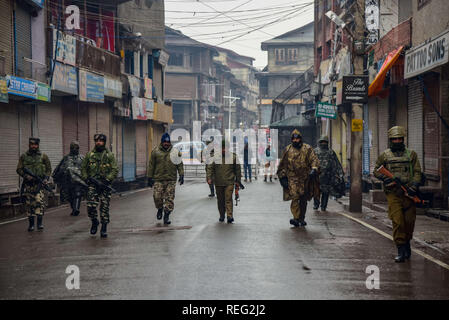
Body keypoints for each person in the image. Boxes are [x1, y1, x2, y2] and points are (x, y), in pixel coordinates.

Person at [373, 126, 422, 263]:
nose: (397, 141)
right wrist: (385, 178)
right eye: (394, 139)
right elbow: (376, 170)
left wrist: (414, 186)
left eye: (400, 139)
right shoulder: (385, 155)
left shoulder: (411, 154)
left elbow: (417, 172)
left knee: (409, 222)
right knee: (398, 221)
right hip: (393, 194)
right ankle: (400, 249)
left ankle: (407, 244)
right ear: (390, 140)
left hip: (409, 193)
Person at [277, 129, 320, 227]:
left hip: (305, 178)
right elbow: (283, 164)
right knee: (295, 197)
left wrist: (314, 169)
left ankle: (301, 218)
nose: (295, 141)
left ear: (300, 139)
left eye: (297, 139)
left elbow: (314, 159)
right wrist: (282, 177)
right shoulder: (287, 150)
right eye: (294, 139)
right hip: (292, 178)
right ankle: (296, 217)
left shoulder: (307, 148)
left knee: (303, 199)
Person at [81, 134, 118, 238]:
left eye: (100, 141)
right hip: (93, 184)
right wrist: (86, 178)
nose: (98, 142)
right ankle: (94, 222)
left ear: (104, 142)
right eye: (96, 141)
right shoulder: (89, 155)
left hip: (105, 185)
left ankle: (104, 228)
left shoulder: (109, 155)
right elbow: (83, 168)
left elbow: (115, 169)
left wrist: (107, 179)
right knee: (90, 206)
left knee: (104, 207)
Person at [147, 133, 184, 225]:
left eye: (168, 142)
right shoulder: (155, 152)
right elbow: (151, 165)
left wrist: (181, 175)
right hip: (158, 179)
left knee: (169, 198)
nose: (166, 144)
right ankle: (160, 208)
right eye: (165, 142)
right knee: (157, 197)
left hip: (171, 179)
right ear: (162, 142)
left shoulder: (175, 152)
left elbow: (179, 164)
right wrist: (149, 177)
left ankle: (166, 215)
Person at [16, 137, 52, 232]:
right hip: (28, 185)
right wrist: (26, 176)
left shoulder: (43, 156)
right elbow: (19, 169)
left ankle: (39, 223)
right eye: (32, 144)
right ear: (29, 145)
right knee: (29, 204)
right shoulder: (24, 156)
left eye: (35, 144)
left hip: (39, 184)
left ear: (38, 145)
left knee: (39, 202)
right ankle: (31, 225)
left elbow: (49, 169)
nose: (33, 146)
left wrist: (46, 179)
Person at [206, 139, 242, 223]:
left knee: (228, 199)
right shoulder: (215, 157)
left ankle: (229, 216)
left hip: (229, 182)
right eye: (222, 148)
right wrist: (209, 178)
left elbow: (238, 169)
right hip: (218, 182)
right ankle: (222, 215)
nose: (224, 150)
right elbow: (210, 168)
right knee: (220, 200)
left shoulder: (233, 157)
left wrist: (238, 181)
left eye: (225, 148)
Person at [53, 141, 86, 216]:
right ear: (70, 148)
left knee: (78, 194)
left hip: (79, 182)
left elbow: (87, 168)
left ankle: (76, 209)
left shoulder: (82, 158)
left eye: (76, 147)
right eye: (73, 147)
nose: (75, 149)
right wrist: (57, 176)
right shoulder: (66, 158)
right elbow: (59, 168)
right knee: (70, 196)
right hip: (68, 182)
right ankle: (73, 208)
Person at [313, 136, 345, 211]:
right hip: (317, 175)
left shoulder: (331, 152)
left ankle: (323, 206)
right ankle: (316, 205)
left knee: (325, 192)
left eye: (325, 142)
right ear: (320, 142)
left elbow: (336, 163)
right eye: (322, 142)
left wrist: (340, 173)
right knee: (316, 192)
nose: (323, 143)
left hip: (327, 176)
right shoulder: (315, 151)